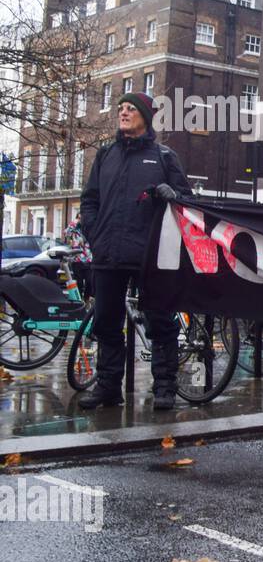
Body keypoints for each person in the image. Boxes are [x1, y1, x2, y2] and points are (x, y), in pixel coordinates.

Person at [77, 92, 193, 412]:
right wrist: (94, 233)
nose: (123, 113)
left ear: (145, 116)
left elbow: (186, 201)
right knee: (106, 322)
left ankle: (165, 386)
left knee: (160, 321)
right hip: (109, 254)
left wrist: (173, 194)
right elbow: (90, 200)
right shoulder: (105, 155)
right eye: (121, 108)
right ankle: (109, 386)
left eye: (131, 109)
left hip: (149, 255)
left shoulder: (163, 156)